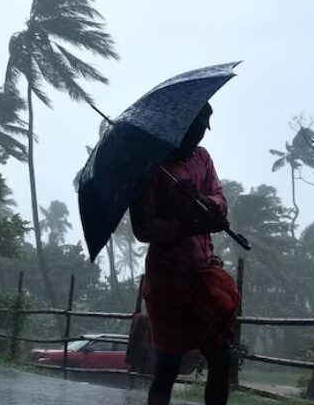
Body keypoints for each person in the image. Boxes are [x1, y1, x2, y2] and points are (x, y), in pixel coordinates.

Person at [130, 102, 236, 405]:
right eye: (193, 129)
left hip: (204, 274)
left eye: (203, 130)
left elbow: (219, 200)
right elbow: (143, 228)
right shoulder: (150, 167)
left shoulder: (203, 159)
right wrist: (184, 225)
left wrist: (201, 200)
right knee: (168, 367)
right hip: (168, 282)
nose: (198, 137)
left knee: (222, 355)